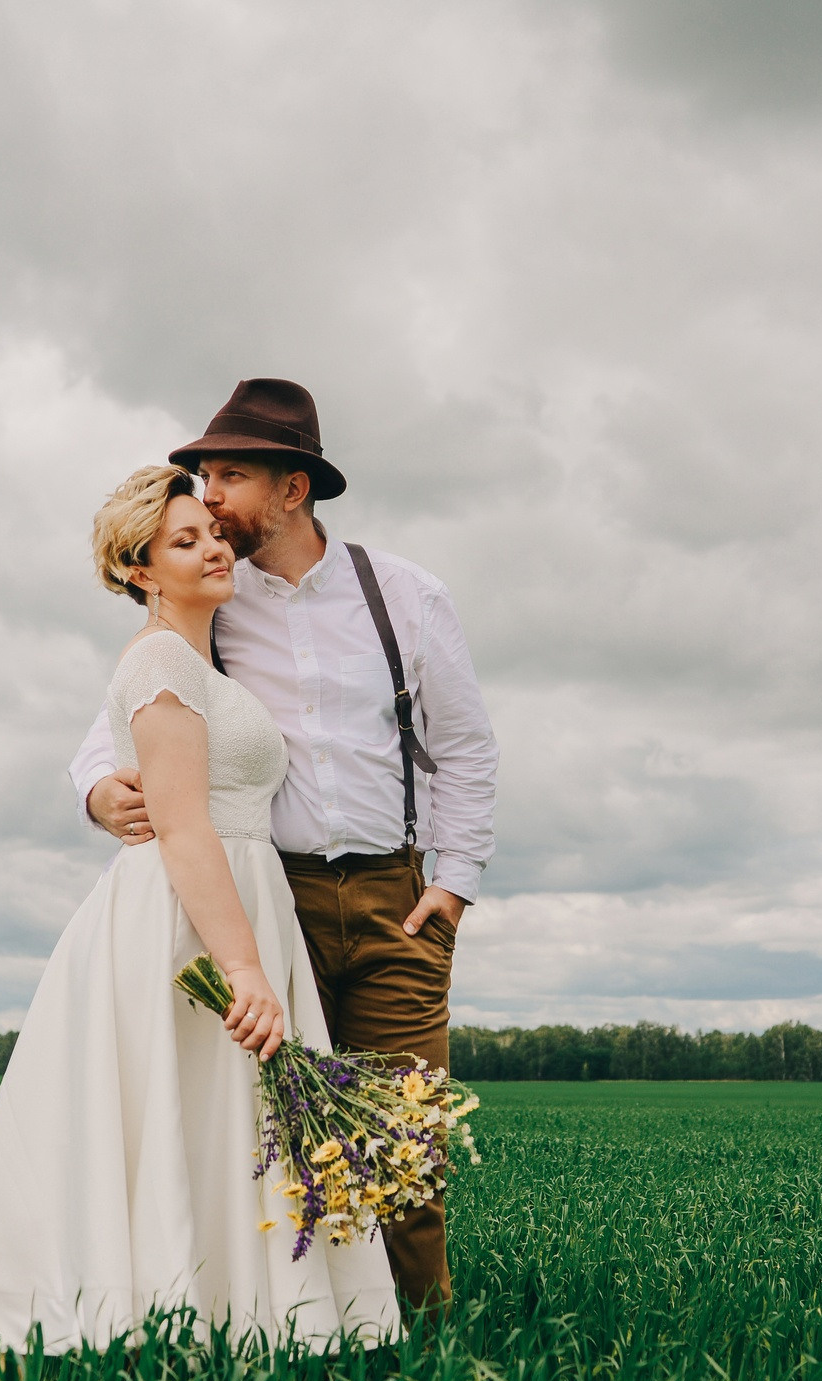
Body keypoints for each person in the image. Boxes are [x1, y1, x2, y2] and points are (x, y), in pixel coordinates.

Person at [0, 465, 403, 1381]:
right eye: (185, 541)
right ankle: (8, 1377)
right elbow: (181, 827)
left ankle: (209, 1347)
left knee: (211, 1134)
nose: (215, 547)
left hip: (231, 905)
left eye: (212, 533)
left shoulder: (202, 661)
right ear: (140, 571)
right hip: (185, 924)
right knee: (141, 1127)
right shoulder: (159, 663)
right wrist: (244, 967)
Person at [70, 379, 499, 1314]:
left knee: (405, 1130)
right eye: (205, 478)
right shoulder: (210, 598)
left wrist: (455, 881)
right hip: (272, 897)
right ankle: (312, 1327)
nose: (210, 497)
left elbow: (464, 744)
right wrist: (100, 791)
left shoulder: (405, 596)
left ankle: (422, 1339)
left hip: (397, 897)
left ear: (293, 487)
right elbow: (118, 723)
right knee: (285, 1131)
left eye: (230, 476)